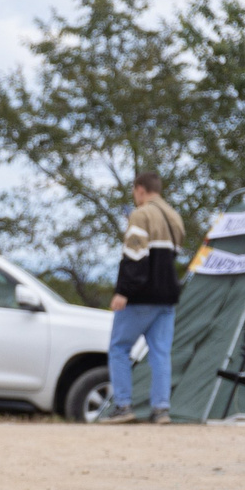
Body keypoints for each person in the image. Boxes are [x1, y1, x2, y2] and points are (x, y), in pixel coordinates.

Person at [97, 171, 185, 425]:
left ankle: (123, 406)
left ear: (139, 189)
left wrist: (123, 291)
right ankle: (161, 410)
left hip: (140, 296)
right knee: (160, 353)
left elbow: (134, 256)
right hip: (167, 297)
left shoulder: (141, 214)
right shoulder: (174, 217)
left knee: (119, 348)